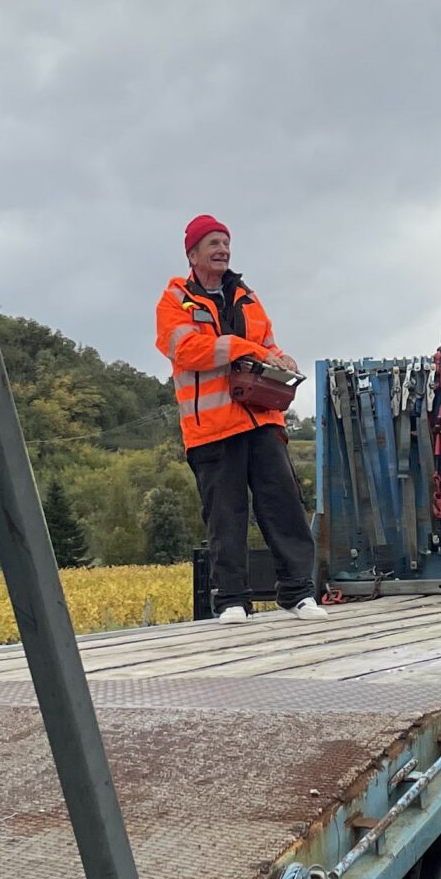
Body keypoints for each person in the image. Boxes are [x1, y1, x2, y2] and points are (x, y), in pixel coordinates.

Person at [155, 215, 318, 617]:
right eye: (212, 243)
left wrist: (280, 357)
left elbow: (267, 343)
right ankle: (231, 601)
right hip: (211, 429)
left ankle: (299, 592)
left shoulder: (248, 296)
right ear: (192, 254)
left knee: (284, 506)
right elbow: (186, 350)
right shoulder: (174, 302)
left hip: (262, 419)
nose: (222, 249)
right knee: (226, 518)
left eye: (226, 243)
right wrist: (241, 347)